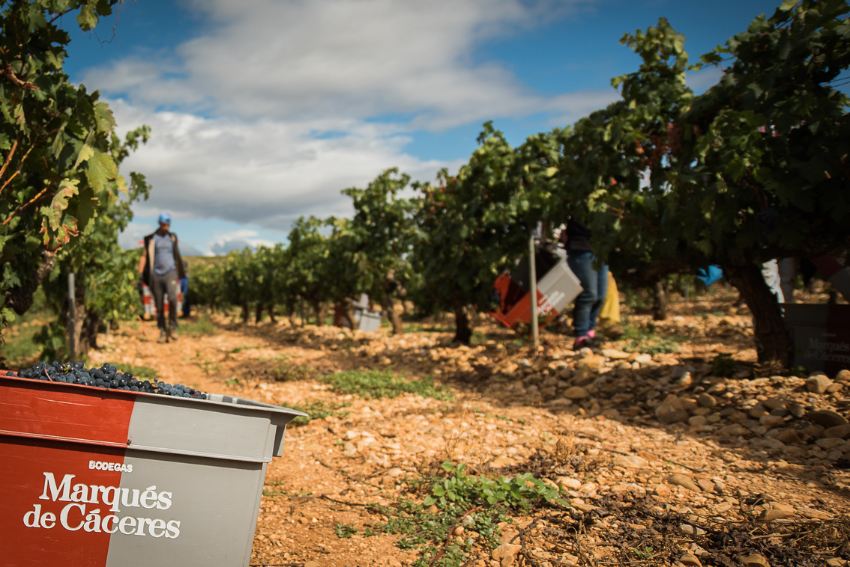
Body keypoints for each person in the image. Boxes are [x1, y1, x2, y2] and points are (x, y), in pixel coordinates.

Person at [138, 212, 186, 343]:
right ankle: (162, 332)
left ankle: (172, 327)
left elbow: (176, 254)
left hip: (171, 272)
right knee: (159, 306)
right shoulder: (151, 239)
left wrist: (181, 271)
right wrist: (140, 274)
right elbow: (144, 256)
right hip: (156, 275)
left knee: (172, 299)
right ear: (159, 223)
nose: (167, 226)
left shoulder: (172, 237)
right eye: (164, 224)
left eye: (168, 224)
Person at [561, 218, 608, 350]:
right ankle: (581, 337)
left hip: (601, 249)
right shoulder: (579, 202)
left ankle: (590, 333)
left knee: (600, 296)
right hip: (581, 248)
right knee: (588, 294)